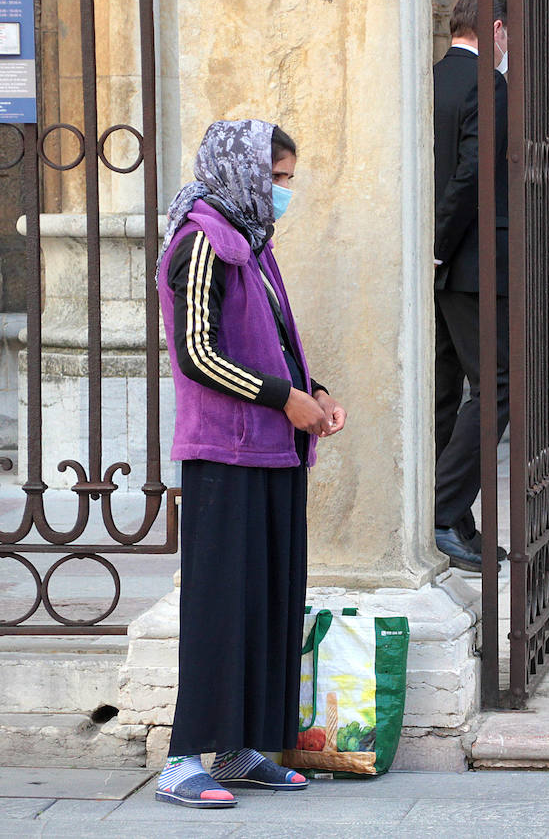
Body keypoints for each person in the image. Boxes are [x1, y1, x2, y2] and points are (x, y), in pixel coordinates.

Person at [154, 119, 347, 807]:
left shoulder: (252, 242)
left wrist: (314, 393)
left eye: (288, 179)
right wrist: (283, 399)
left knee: (266, 600)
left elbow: (272, 341)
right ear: (243, 174)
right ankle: (183, 758)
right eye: (279, 178)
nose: (285, 192)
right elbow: (197, 354)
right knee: (218, 606)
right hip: (225, 451)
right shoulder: (201, 241)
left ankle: (238, 750)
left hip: (271, 448)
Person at [432, 0, 512, 572]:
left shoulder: (430, 80)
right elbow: (472, 175)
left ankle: (454, 522)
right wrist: (439, 246)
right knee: (498, 386)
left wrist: (423, 251)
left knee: (442, 392)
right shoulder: (490, 83)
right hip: (469, 265)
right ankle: (441, 511)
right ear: (499, 29)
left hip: (433, 267)